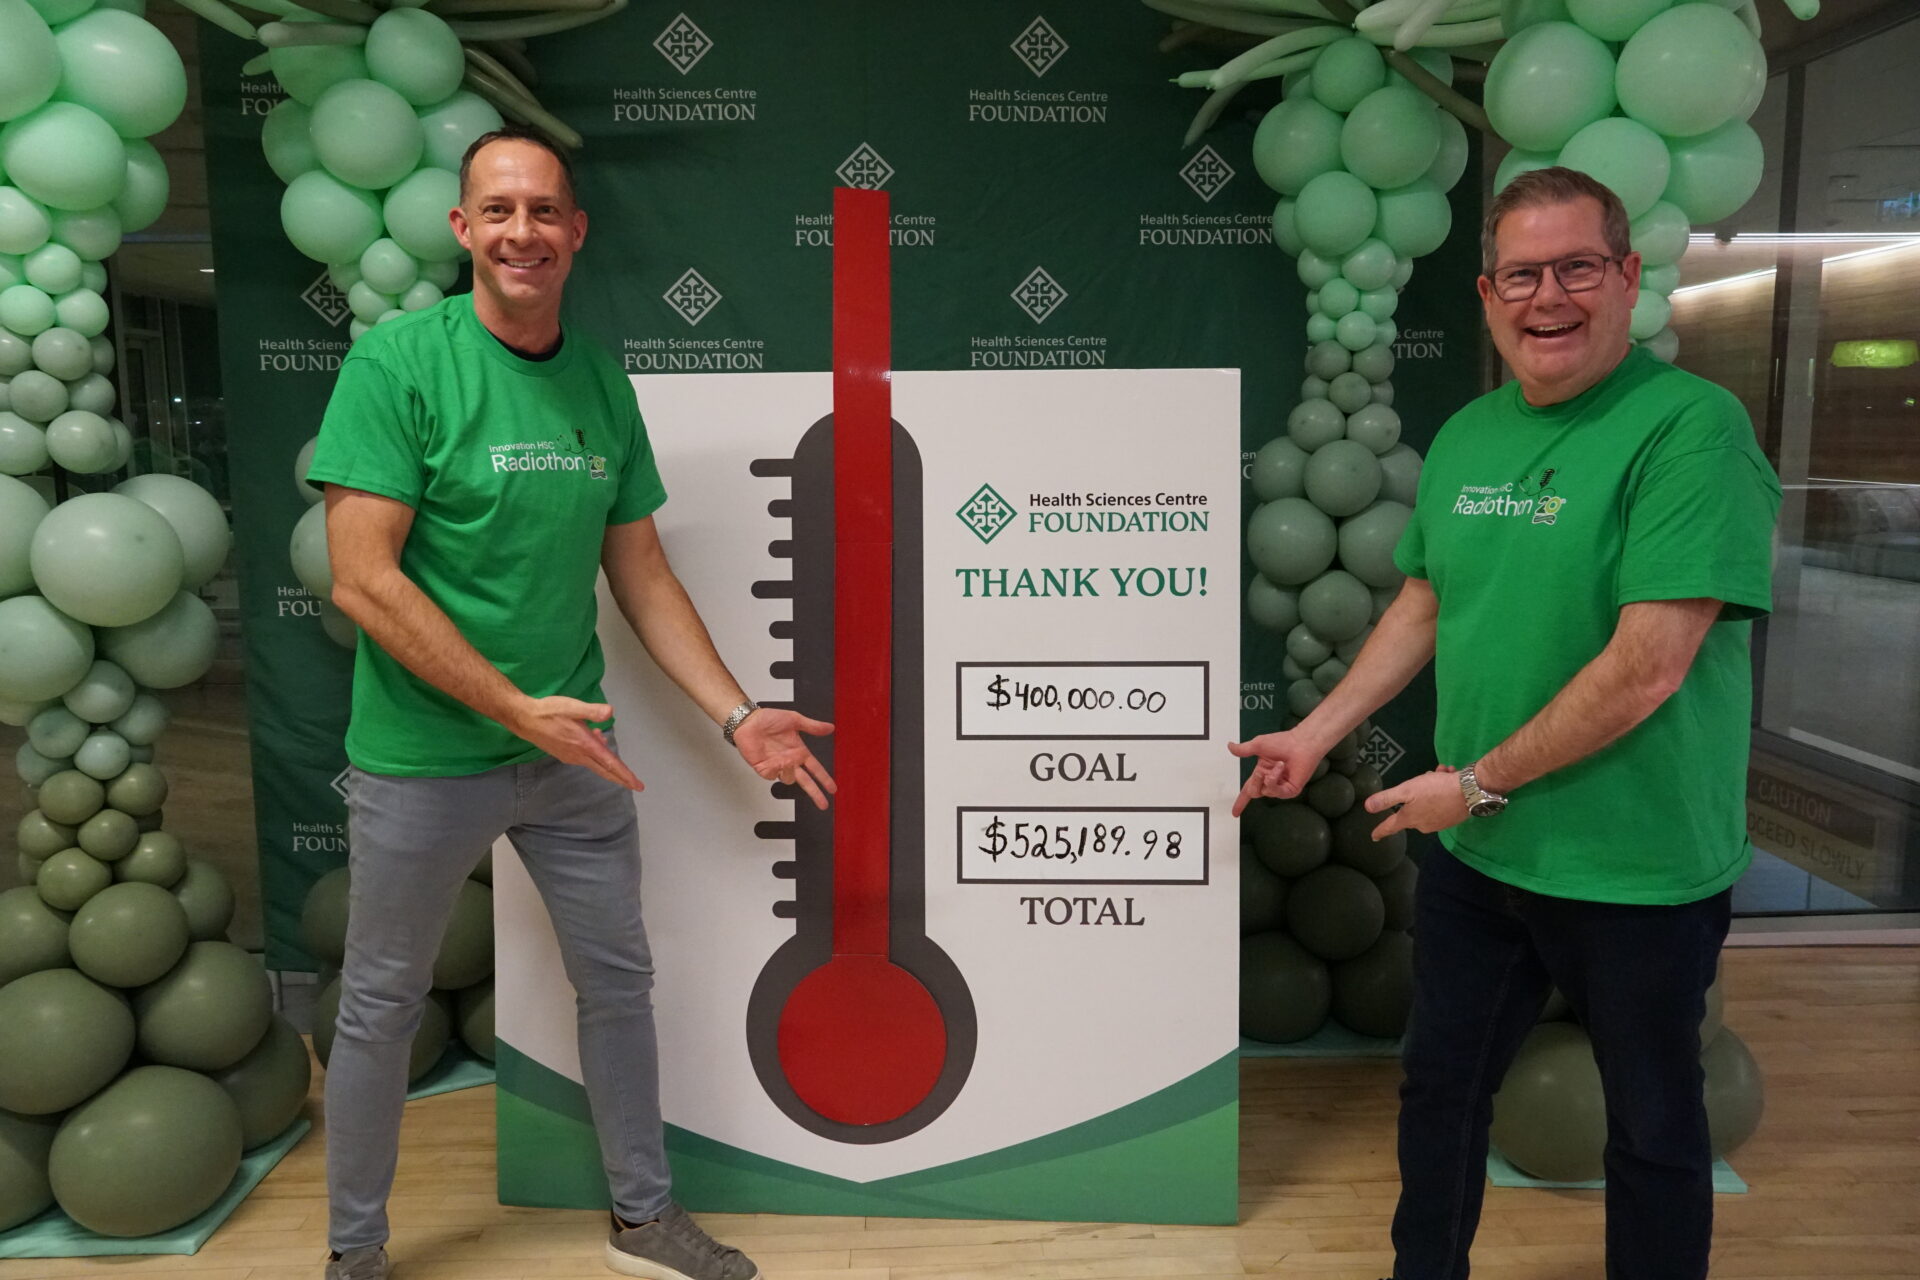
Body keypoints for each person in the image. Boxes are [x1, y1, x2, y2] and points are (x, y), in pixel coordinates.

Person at [1230, 166, 1780, 1280]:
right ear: (1487, 296)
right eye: (1522, 275)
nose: (1549, 297)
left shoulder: (1692, 430)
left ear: (1626, 277)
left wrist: (1474, 783)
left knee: (1653, 1127)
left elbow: (1647, 668)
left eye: (1577, 267)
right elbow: (1425, 602)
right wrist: (1318, 731)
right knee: (1440, 1092)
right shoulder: (1470, 435)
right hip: (1482, 856)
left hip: (1636, 868)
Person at [307, 125, 835, 1280]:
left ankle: (644, 1219)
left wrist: (736, 712)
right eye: (498, 209)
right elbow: (362, 578)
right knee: (382, 1002)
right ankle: (356, 1252)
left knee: (619, 982)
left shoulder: (598, 378)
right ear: (463, 229)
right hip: (422, 758)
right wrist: (511, 706)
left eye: (544, 209)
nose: (522, 231)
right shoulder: (397, 366)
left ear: (577, 231)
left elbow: (641, 572)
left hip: (572, 758)